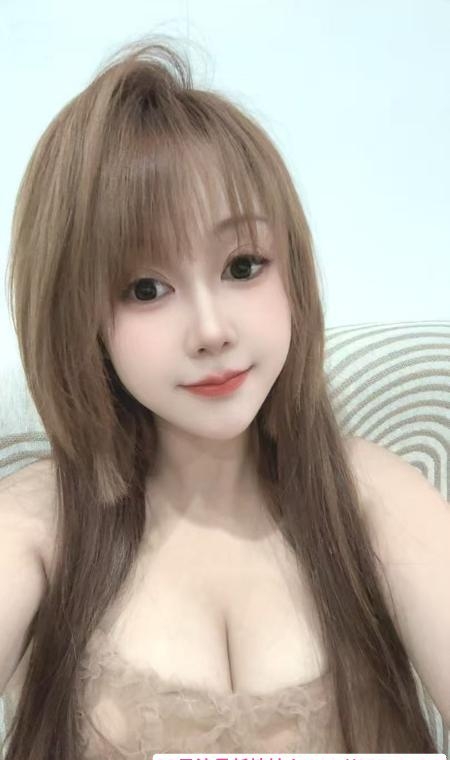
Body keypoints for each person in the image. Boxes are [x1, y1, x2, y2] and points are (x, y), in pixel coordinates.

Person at [0, 34, 445, 758]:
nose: (211, 331)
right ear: (80, 318)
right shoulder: (39, 527)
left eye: (243, 266)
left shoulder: (369, 498)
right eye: (147, 288)